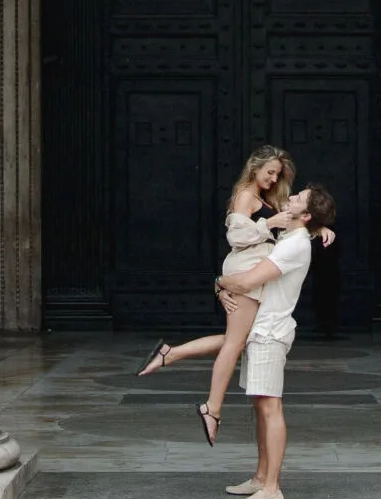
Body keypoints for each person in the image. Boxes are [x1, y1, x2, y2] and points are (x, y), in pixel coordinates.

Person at [136, 146, 330, 444]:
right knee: (236, 342)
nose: (274, 178)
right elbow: (236, 236)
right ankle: (211, 408)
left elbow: (297, 222)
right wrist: (269, 224)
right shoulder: (245, 195)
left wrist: (320, 228)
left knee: (241, 338)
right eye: (270, 172)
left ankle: (170, 354)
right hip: (246, 270)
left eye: (277, 174)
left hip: (250, 271)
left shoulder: (264, 198)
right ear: (255, 167)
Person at [210, 182, 338, 499]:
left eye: (298, 198)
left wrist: (219, 282)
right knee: (261, 409)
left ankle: (272, 488)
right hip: (262, 331)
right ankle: (260, 477)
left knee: (271, 409)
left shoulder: (293, 245)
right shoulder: (291, 236)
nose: (290, 197)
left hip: (270, 333)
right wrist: (321, 227)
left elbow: (248, 281)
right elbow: (304, 226)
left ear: (305, 214)